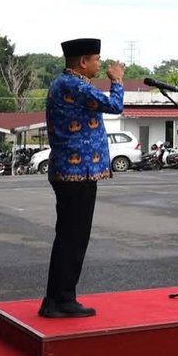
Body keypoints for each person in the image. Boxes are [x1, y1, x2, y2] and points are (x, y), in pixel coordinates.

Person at [41, 39, 125, 318]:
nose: (100, 64)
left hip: (74, 172)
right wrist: (117, 81)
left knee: (69, 237)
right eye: (96, 59)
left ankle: (57, 298)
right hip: (77, 173)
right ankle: (61, 300)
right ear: (82, 62)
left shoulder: (65, 83)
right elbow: (114, 105)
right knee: (73, 239)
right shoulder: (74, 85)